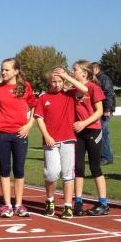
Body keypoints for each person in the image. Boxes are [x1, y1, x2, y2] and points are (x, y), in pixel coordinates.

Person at [33, 68, 87, 219]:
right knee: (51, 174)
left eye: (59, 81)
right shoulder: (44, 98)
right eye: (54, 82)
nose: (57, 84)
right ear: (49, 82)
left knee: (68, 174)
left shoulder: (70, 94)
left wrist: (66, 76)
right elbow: (39, 118)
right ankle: (50, 200)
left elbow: (84, 89)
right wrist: (46, 136)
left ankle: (68, 206)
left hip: (68, 139)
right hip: (50, 141)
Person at [0, 58, 36, 218]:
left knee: (19, 169)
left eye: (7, 70)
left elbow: (34, 107)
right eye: (2, 69)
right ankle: (7, 205)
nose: (3, 72)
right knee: (5, 168)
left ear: (16, 71)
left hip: (20, 133)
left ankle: (19, 204)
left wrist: (29, 125)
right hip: (2, 134)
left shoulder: (25, 86)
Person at [71, 60, 109, 216]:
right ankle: (78, 201)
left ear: (84, 73)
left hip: (93, 131)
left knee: (95, 167)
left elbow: (99, 111)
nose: (72, 72)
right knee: (78, 167)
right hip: (78, 133)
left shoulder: (94, 88)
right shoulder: (74, 90)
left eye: (75, 69)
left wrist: (84, 123)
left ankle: (103, 203)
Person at [91, 62, 115, 165]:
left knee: (102, 134)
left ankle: (105, 157)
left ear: (96, 68)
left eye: (91, 69)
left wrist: (107, 109)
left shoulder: (103, 79)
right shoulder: (99, 78)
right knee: (103, 134)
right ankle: (107, 157)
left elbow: (109, 94)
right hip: (101, 109)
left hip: (104, 110)